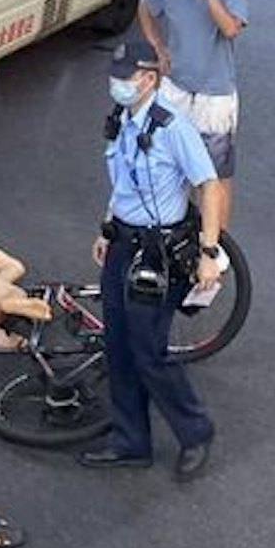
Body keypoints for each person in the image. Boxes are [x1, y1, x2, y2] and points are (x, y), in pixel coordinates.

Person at [80, 32, 223, 480]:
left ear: (148, 79)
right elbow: (124, 180)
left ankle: (195, 431)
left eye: (125, 78)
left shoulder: (171, 127)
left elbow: (210, 185)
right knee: (118, 345)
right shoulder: (123, 118)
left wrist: (208, 252)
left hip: (157, 254)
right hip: (123, 245)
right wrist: (107, 227)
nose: (116, 84)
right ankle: (130, 441)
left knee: (149, 352)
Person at [136, 0, 247, 235]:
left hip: (215, 97)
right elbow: (145, 8)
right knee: (168, 162)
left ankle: (216, 242)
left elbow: (230, 29)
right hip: (176, 89)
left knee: (215, 174)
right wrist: (157, 46)